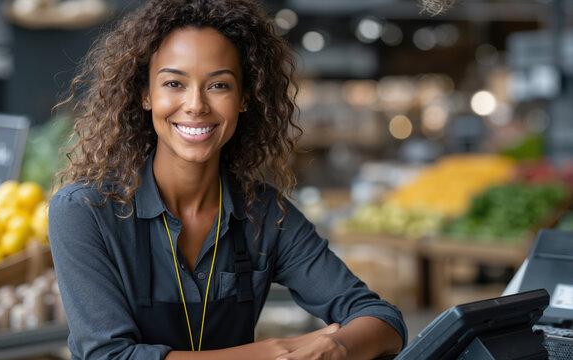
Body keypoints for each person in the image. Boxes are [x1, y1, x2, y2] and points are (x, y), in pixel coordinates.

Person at [48, 0, 407, 359]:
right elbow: (108, 356)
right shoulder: (85, 211)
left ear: (244, 99)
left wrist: (336, 347)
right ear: (145, 95)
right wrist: (269, 352)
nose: (195, 105)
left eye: (218, 85)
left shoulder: (265, 215)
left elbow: (382, 320)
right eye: (174, 83)